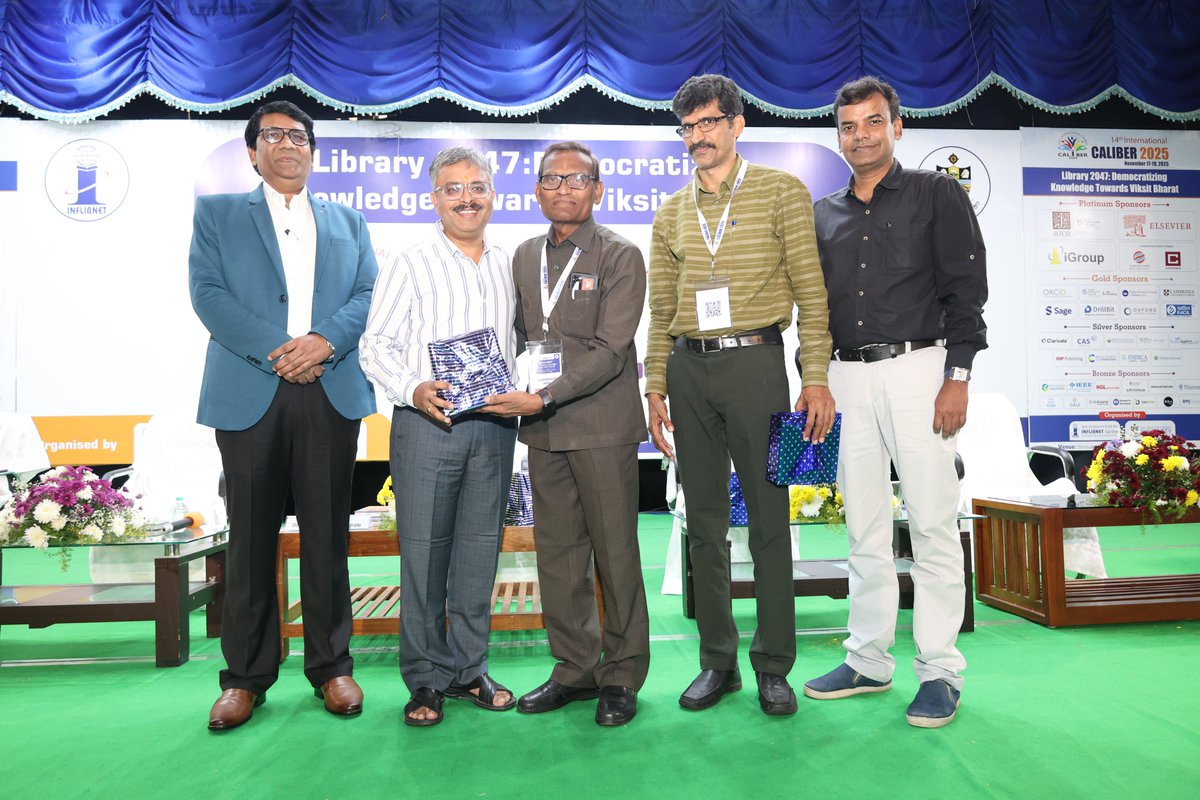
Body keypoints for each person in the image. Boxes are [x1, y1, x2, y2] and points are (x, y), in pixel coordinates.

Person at [645, 74, 836, 716]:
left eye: (707, 123)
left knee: (768, 521)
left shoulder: (782, 192)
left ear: (736, 125)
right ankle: (717, 663)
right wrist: (653, 385)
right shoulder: (670, 211)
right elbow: (661, 307)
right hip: (688, 370)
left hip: (758, 364)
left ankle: (773, 665)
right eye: (688, 128)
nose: (698, 137)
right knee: (702, 524)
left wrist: (815, 377)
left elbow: (812, 293)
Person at [802, 76, 988, 728]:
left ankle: (939, 670)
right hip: (845, 378)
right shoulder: (823, 213)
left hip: (920, 370)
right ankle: (868, 660)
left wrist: (957, 375)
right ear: (839, 135)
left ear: (897, 127)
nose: (861, 136)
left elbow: (968, 289)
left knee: (933, 523)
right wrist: (813, 378)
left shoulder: (938, 194)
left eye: (873, 123)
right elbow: (813, 309)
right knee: (864, 528)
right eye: (849, 126)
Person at [189, 101, 378, 731]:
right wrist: (279, 351)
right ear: (252, 152)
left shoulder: (348, 219)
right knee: (249, 540)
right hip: (250, 390)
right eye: (273, 136)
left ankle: (332, 668)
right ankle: (244, 678)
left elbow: (367, 294)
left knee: (327, 535)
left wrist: (323, 341)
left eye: (299, 137)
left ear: (313, 151)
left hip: (330, 387)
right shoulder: (218, 214)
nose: (288, 145)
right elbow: (207, 294)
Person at [481, 142, 650, 727]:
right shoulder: (524, 255)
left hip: (601, 426)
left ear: (598, 190)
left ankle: (622, 674)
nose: (564, 188)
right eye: (552, 179)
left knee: (616, 553)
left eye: (577, 179)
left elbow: (612, 350)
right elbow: (520, 335)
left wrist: (544, 395)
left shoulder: (621, 256)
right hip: (544, 431)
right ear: (537, 191)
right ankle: (574, 670)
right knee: (558, 556)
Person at [359, 146, 518, 727]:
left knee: (479, 554)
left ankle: (468, 670)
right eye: (453, 188)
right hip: (428, 424)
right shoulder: (410, 261)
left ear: (493, 195)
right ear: (434, 199)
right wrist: (413, 388)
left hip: (496, 427)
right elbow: (375, 345)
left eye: (477, 186)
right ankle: (425, 680)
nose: (467, 197)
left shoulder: (507, 262)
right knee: (423, 557)